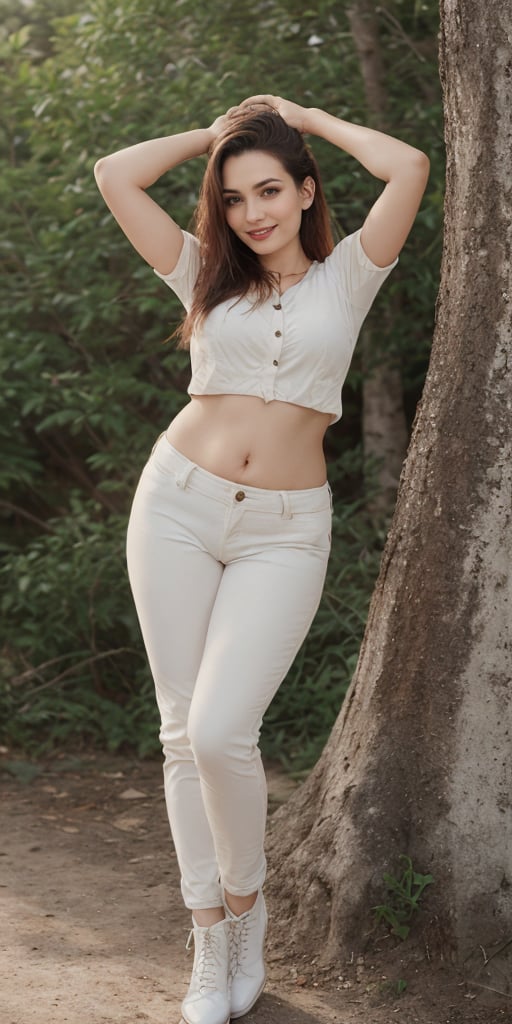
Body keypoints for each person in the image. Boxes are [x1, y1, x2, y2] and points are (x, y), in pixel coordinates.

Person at [94, 93, 429, 1024]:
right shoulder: (204, 274)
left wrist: (310, 117)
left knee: (218, 732)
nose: (254, 213)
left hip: (286, 529)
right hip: (177, 506)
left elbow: (408, 168)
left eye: (270, 189)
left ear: (306, 189)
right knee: (176, 731)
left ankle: (248, 904)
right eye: (236, 197)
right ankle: (210, 935)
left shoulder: (350, 276)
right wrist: (216, 136)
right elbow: (115, 174)